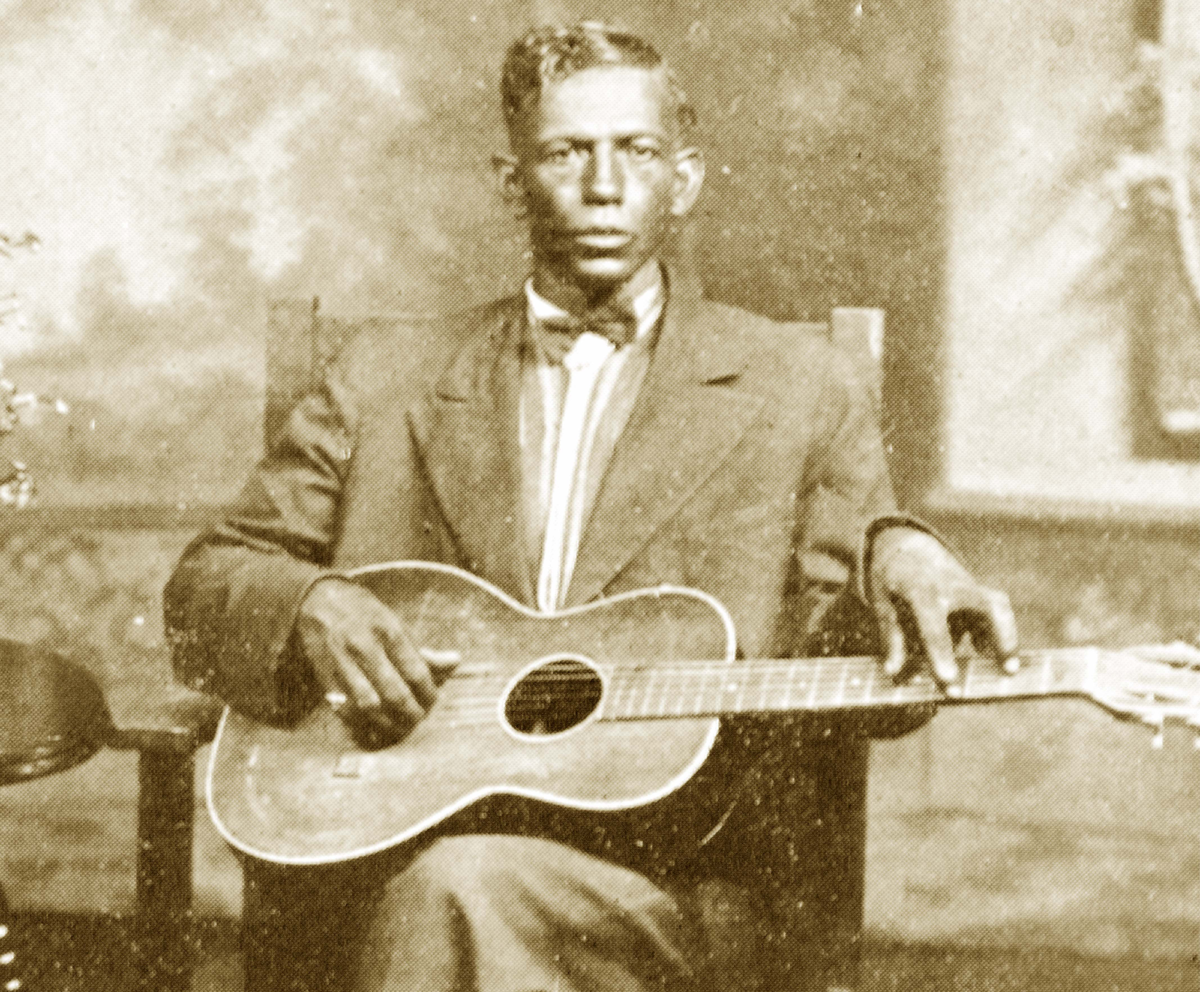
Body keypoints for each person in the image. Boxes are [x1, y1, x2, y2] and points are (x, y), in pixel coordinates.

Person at [164, 22, 1018, 992]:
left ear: (684, 178)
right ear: (510, 181)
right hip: (390, 840)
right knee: (447, 882)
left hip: (670, 881)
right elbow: (204, 586)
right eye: (568, 152)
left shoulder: (797, 385)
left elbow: (846, 672)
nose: (605, 184)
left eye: (637, 152)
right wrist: (307, 605)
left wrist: (897, 554)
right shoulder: (386, 375)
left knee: (460, 888)